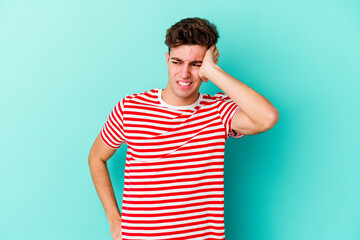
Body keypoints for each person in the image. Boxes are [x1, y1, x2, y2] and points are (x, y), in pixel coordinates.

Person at [88, 17, 279, 240]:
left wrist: (214, 72)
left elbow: (267, 117)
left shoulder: (218, 111)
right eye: (177, 62)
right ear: (167, 59)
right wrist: (114, 219)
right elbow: (96, 157)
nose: (185, 74)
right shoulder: (130, 108)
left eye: (196, 64)